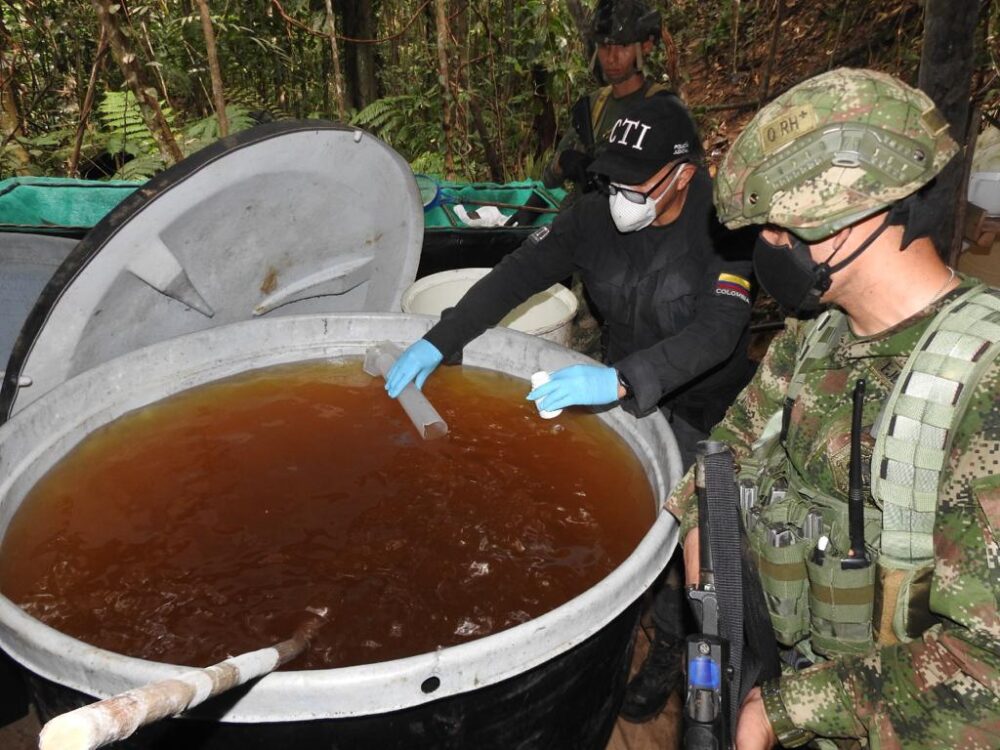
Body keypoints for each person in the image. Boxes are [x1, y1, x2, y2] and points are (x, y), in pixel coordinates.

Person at [386, 93, 758, 723]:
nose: (620, 197)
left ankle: (670, 641)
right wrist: (439, 338)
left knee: (696, 546)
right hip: (619, 390)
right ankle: (620, 606)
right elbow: (517, 274)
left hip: (703, 407)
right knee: (618, 510)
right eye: (610, 179)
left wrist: (621, 381)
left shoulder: (726, 228)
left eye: (635, 185)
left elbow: (717, 332)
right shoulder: (590, 219)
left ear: (684, 174)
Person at [668, 67, 1000, 749]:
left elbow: (987, 676)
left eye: (780, 230)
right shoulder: (815, 338)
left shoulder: (984, 390)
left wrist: (779, 711)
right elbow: (724, 453)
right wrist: (706, 551)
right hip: (799, 687)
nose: (767, 250)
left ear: (854, 218)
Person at [508, 0, 672, 227]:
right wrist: (565, 163)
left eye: (622, 46)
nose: (612, 57)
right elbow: (550, 176)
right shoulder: (594, 105)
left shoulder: (662, 110)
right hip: (576, 226)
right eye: (604, 46)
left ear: (643, 48)